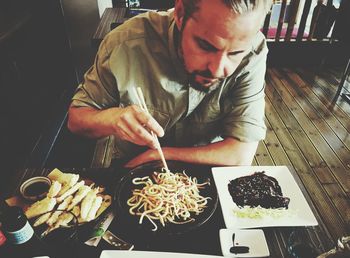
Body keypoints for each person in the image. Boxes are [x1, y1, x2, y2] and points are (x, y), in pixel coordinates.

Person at [68, 0, 272, 168]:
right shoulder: (125, 43)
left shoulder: (253, 51)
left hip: (208, 168)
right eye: (205, 46)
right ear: (181, 13)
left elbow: (240, 154)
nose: (218, 70)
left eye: (235, 53)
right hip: (132, 170)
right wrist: (112, 119)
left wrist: (160, 155)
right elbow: (76, 120)